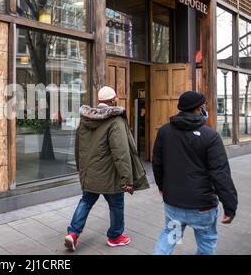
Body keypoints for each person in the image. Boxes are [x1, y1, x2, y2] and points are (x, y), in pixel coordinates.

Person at [64, 86, 150, 251]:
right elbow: (121, 153)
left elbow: (78, 147)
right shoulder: (115, 120)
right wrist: (127, 179)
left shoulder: (86, 119)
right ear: (113, 100)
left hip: (90, 173)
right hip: (110, 175)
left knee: (86, 201)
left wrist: (82, 169)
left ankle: (73, 234)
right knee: (116, 205)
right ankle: (115, 236)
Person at [152, 91, 238, 255]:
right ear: (200, 108)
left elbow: (158, 163)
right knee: (206, 243)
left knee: (170, 236)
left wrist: (161, 186)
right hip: (202, 207)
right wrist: (230, 207)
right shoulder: (210, 136)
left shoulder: (164, 131)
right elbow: (220, 174)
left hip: (174, 203)